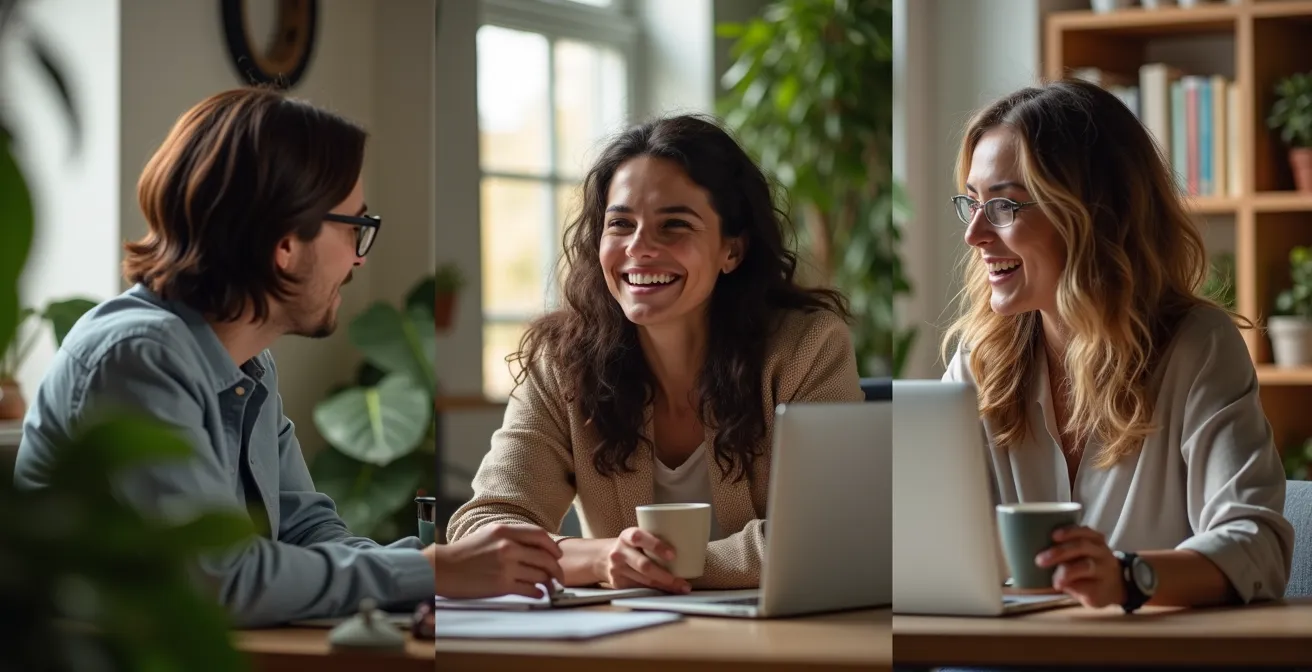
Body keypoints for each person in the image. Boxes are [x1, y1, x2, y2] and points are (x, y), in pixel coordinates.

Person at [13, 86, 562, 628]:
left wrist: (452, 571)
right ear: (284, 244)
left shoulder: (248, 363)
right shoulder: (138, 357)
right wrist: (429, 572)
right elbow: (219, 579)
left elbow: (308, 530)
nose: (358, 259)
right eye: (356, 228)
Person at [446, 114, 865, 594]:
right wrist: (602, 558)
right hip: (628, 646)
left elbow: (827, 533)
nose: (639, 248)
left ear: (732, 250)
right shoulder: (561, 363)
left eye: (674, 226)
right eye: (620, 224)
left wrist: (656, 566)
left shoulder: (808, 349)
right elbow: (482, 529)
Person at [941, 78, 1294, 613]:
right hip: (1007, 654)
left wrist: (1130, 576)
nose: (975, 235)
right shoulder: (979, 359)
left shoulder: (1197, 348)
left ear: (1092, 213)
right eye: (972, 204)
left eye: (1005, 207)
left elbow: (1257, 543)